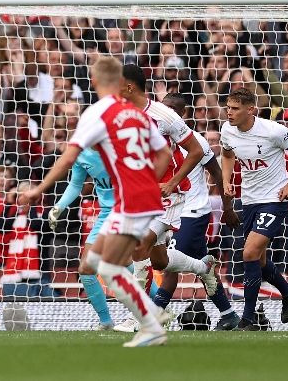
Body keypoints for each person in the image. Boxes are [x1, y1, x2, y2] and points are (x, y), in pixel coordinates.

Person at [24, 56, 173, 347]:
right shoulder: (136, 113)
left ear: (94, 81)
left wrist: (38, 188)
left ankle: (152, 320)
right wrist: (146, 181)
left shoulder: (97, 113)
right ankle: (151, 313)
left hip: (130, 200)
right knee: (92, 262)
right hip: (137, 199)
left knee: (107, 267)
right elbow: (164, 154)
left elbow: (68, 156)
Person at [113, 64, 219, 333]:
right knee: (158, 260)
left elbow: (194, 151)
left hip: (169, 194)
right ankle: (202, 267)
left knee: (138, 247)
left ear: (129, 86)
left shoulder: (164, 116)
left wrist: (172, 182)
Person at [220, 88, 288, 330]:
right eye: (228, 107)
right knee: (258, 260)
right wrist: (227, 180)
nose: (229, 112)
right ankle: (287, 290)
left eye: (235, 108)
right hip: (248, 200)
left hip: (275, 198)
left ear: (251, 110)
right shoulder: (227, 130)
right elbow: (227, 155)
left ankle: (247, 320)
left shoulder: (274, 131)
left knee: (248, 252)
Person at [156, 93, 242, 330]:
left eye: (173, 109)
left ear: (182, 114)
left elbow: (218, 174)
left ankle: (152, 317)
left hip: (193, 212)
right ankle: (229, 314)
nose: (168, 113)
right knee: (204, 271)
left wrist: (227, 206)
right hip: (169, 213)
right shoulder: (158, 141)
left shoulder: (196, 142)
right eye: (165, 108)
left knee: (169, 264)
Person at [21, 146, 117, 330]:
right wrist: (58, 208)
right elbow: (75, 185)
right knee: (86, 270)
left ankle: (157, 308)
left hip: (127, 210)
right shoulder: (83, 154)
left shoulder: (121, 145)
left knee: (128, 268)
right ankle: (106, 322)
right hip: (106, 214)